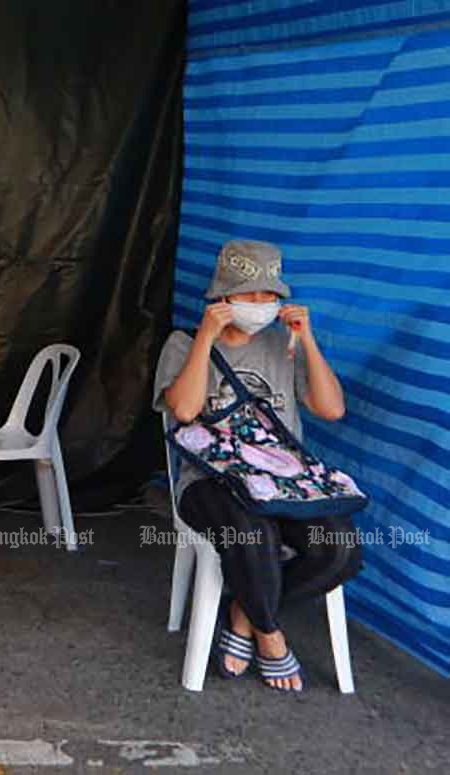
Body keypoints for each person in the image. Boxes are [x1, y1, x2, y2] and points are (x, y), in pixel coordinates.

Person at [154, 239, 361, 692]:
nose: (260, 304)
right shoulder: (183, 343)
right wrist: (206, 339)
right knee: (254, 534)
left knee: (339, 547)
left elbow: (331, 410)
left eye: (269, 296)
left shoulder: (282, 345)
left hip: (283, 483)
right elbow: (184, 411)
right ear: (221, 297)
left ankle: (243, 615)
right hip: (209, 482)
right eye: (249, 294)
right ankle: (271, 636)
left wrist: (306, 340)